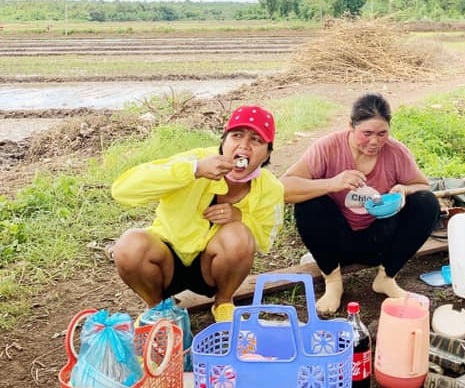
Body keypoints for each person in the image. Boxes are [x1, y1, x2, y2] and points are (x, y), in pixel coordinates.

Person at [111, 105, 283, 323]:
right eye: (237, 135)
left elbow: (265, 241)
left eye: (256, 140)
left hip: (211, 269)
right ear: (224, 141)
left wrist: (239, 217)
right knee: (129, 246)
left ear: (267, 153)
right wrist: (194, 170)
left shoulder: (271, 188)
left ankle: (223, 303)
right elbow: (122, 190)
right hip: (167, 259)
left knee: (238, 234)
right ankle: (157, 309)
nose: (244, 145)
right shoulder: (194, 161)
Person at [281, 93, 440, 315]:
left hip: (378, 241)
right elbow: (284, 187)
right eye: (367, 133)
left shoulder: (396, 152)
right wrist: (331, 184)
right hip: (337, 243)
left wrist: (405, 189)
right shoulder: (327, 147)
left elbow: (423, 186)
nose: (374, 141)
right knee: (309, 203)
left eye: (382, 133)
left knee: (427, 203)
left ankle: (386, 278)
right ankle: (333, 282)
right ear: (351, 126)